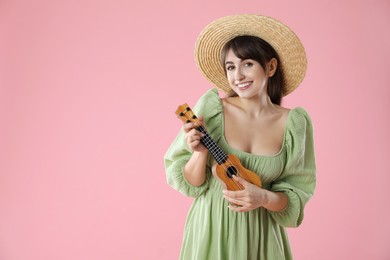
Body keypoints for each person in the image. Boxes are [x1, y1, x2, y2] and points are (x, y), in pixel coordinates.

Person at [164, 14, 316, 260]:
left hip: (263, 237)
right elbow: (192, 185)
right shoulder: (212, 108)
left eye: (247, 64)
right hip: (211, 230)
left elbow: (296, 195)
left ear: (270, 66)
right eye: (231, 67)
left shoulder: (294, 124)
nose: (238, 76)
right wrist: (199, 154)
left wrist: (263, 197)